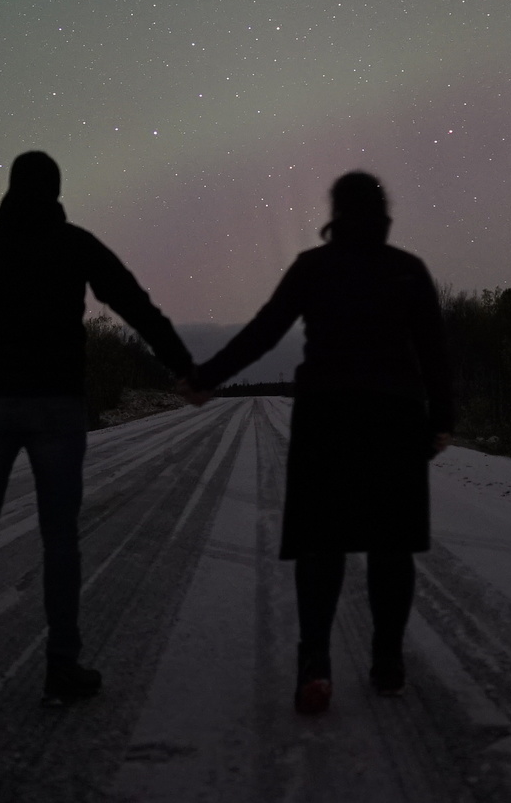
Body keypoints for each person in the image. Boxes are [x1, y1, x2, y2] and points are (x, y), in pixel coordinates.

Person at [0, 150, 195, 709]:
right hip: (56, 407)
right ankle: (61, 667)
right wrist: (185, 367)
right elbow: (134, 305)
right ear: (55, 190)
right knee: (60, 540)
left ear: (10, 189)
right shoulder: (76, 244)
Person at [187, 171, 453, 714]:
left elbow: (264, 331)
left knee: (321, 542)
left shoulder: (314, 267)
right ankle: (387, 663)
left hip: (327, 415)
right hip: (395, 416)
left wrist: (206, 377)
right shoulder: (407, 270)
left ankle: (315, 664)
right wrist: (442, 418)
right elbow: (435, 351)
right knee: (391, 544)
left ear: (335, 213)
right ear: (382, 214)